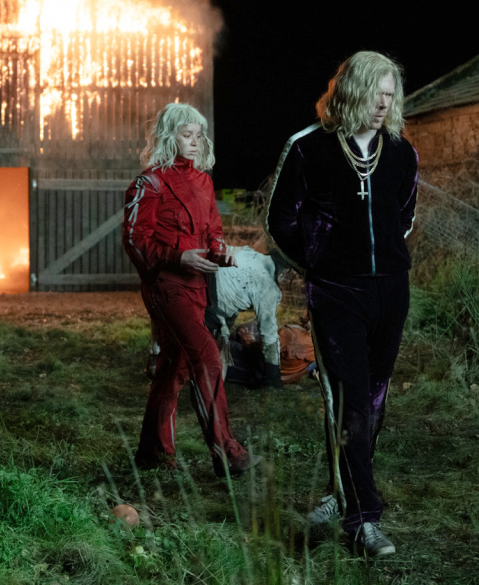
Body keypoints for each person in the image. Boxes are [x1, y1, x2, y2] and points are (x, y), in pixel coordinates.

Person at [265, 51, 418, 557]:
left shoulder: (401, 152)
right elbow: (280, 220)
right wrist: (319, 263)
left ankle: (342, 490)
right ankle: (363, 519)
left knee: (374, 395)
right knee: (350, 395)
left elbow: (404, 216)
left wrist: (386, 259)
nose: (383, 103)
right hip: (337, 292)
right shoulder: (309, 148)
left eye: (390, 94)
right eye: (375, 92)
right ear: (350, 90)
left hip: (391, 289)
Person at [124, 101, 256, 478]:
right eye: (187, 134)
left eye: (199, 135)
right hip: (166, 287)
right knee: (207, 356)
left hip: (199, 286)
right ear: (169, 136)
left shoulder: (203, 180)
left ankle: (153, 452)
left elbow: (212, 232)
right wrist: (179, 257)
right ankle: (227, 453)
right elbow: (135, 240)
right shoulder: (148, 183)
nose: (195, 142)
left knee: (174, 367)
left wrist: (221, 254)